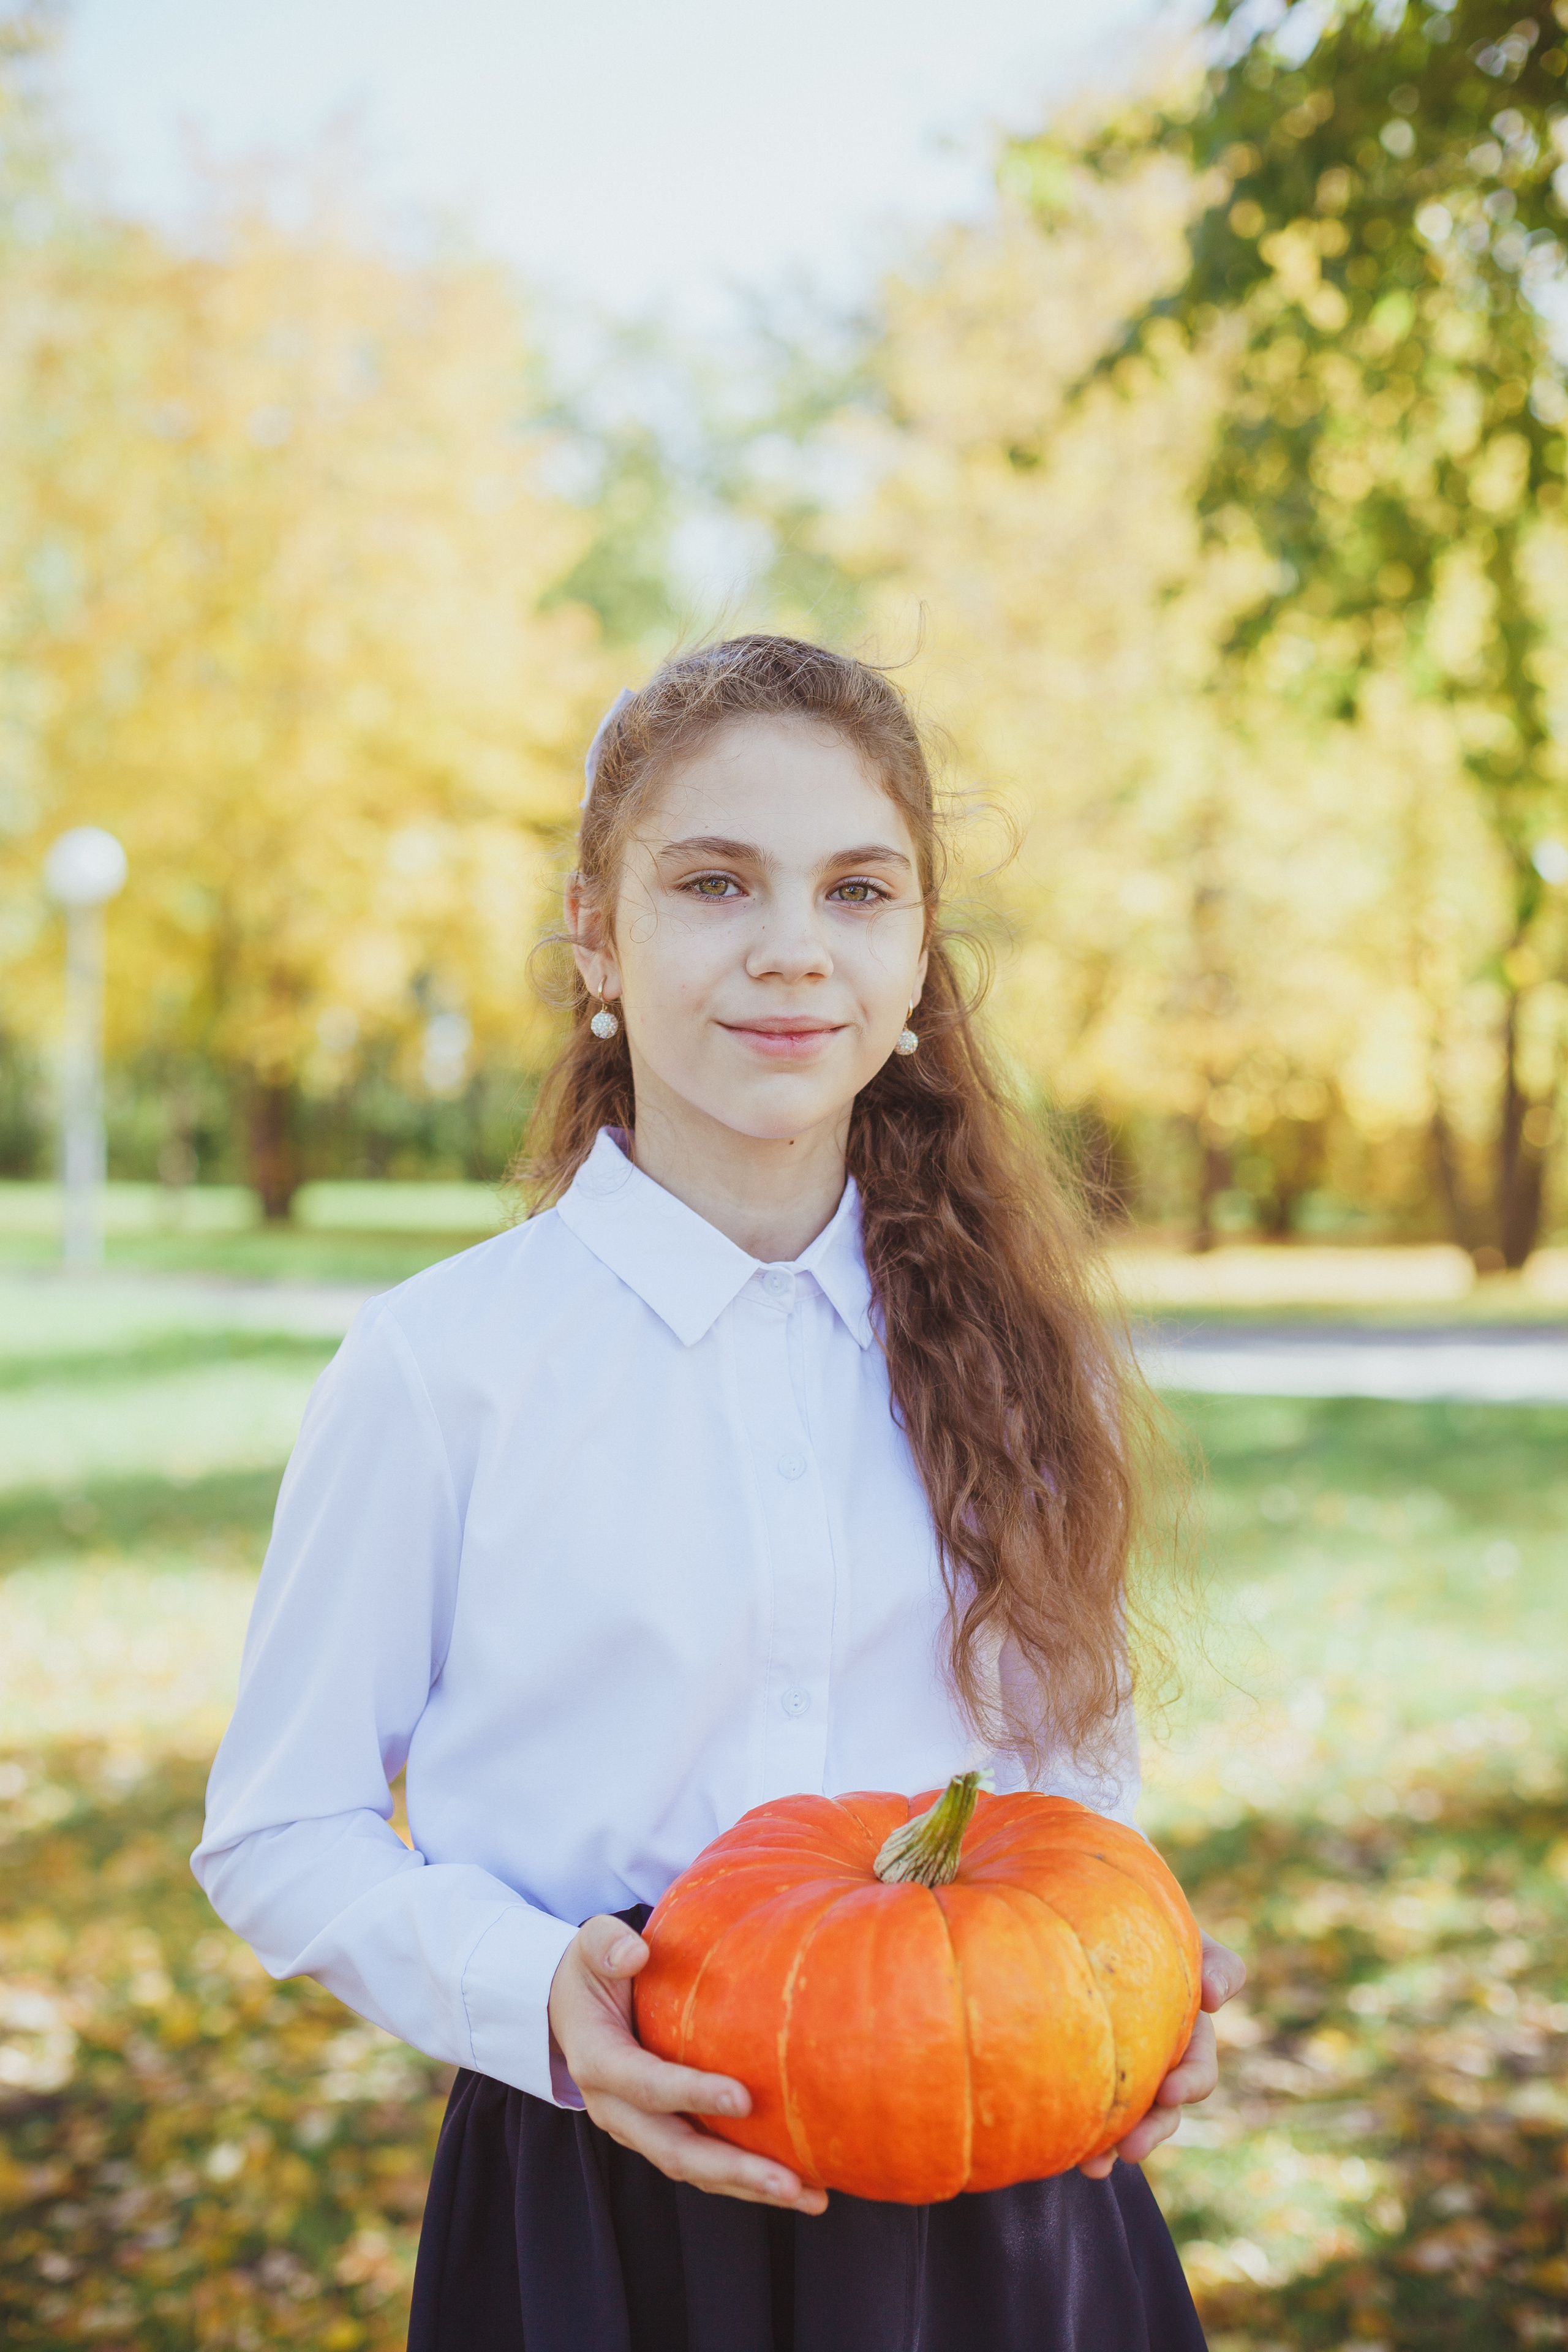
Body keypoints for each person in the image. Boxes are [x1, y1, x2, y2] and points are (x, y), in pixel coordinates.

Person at [193, 636, 1243, 2352]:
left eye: (855, 889)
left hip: (1003, 2194)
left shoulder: (1010, 1357)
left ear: (917, 954)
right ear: (596, 932)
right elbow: (278, 1829)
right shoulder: (447, 1365)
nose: (789, 949)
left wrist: (1137, 1982)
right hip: (607, 2202)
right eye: (712, 883)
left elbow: (1076, 1791)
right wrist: (533, 1997)